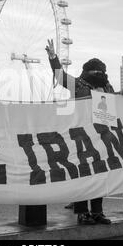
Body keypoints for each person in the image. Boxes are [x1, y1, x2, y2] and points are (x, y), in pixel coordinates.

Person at [45, 38, 112, 225]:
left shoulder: (108, 88)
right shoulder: (80, 85)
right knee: (83, 176)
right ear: (89, 72)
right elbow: (60, 77)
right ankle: (82, 213)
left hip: (102, 137)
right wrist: (53, 57)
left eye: (102, 71)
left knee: (100, 176)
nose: (100, 74)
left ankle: (98, 212)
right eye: (97, 71)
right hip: (82, 137)